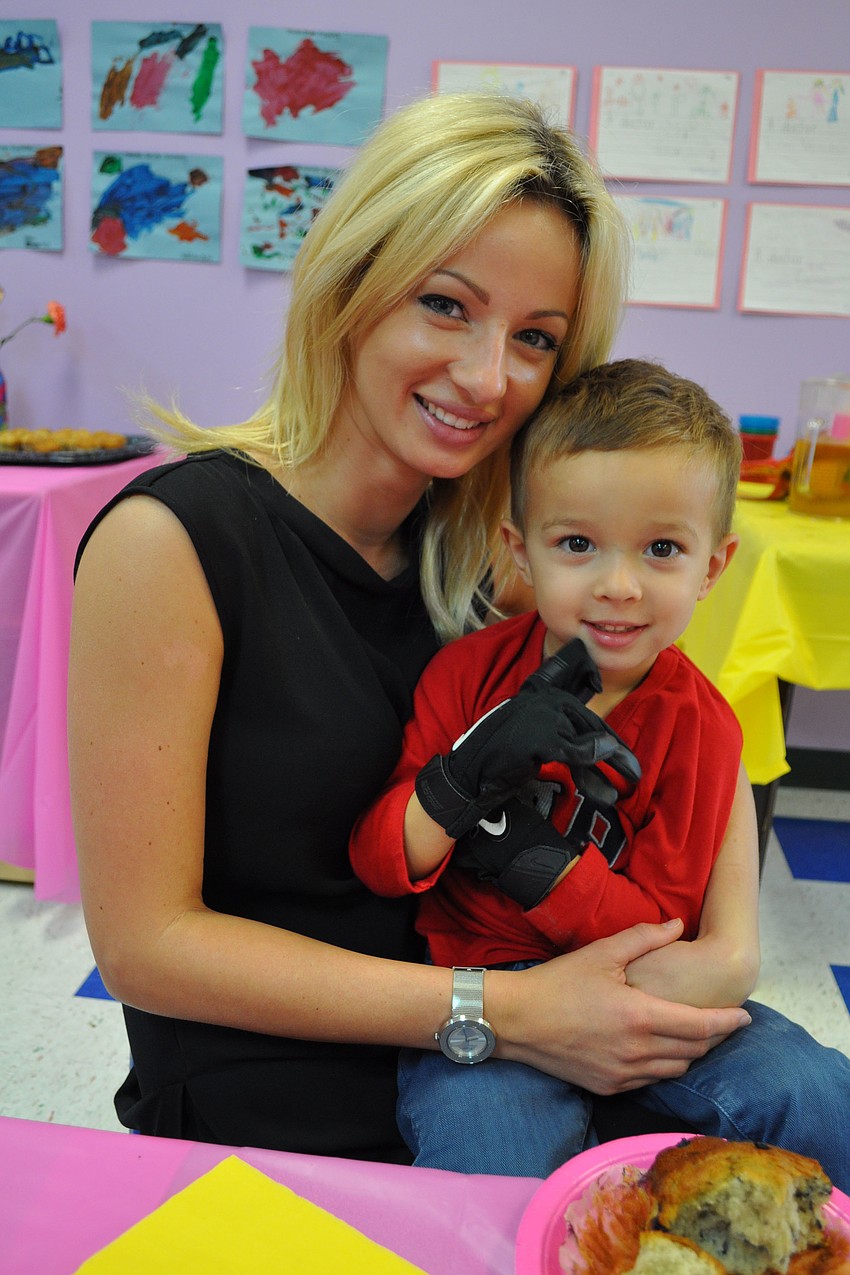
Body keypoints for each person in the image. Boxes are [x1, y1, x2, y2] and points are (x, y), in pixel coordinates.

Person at [68, 93, 752, 1164]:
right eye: (445, 305)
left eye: (535, 339)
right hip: (282, 1097)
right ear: (351, 285)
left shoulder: (500, 559)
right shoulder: (172, 543)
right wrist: (497, 1011)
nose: (487, 377)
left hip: (520, 1044)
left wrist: (733, 945)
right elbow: (145, 947)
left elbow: (678, 717)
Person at [350, 358, 850, 1187]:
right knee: (491, 1167)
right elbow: (378, 860)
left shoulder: (703, 726)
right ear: (522, 550)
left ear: (713, 566)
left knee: (820, 1095)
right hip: (487, 992)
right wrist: (458, 782)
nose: (618, 585)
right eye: (577, 544)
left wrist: (528, 859)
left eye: (662, 549)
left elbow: (659, 926)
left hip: (643, 989)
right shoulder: (466, 675)